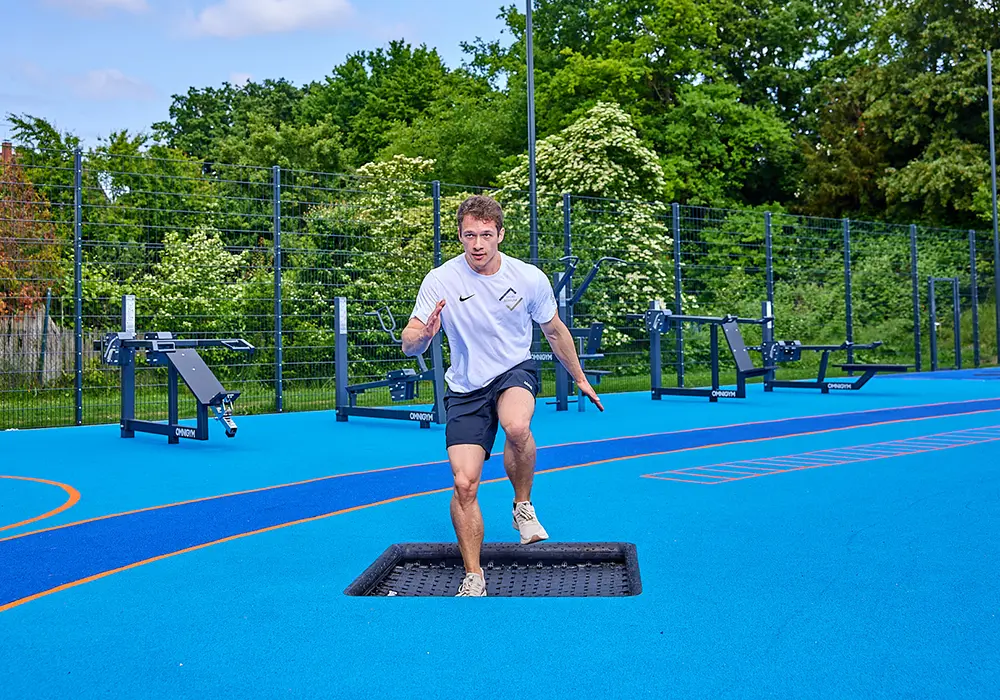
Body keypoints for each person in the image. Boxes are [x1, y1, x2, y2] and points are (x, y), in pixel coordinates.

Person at [402, 194, 603, 597]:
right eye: (469, 235)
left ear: (500, 235)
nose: (478, 244)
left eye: (486, 235)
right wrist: (422, 336)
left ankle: (522, 505)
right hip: (465, 388)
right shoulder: (440, 279)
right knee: (464, 483)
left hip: (513, 370)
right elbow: (410, 340)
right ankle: (474, 575)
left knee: (516, 425)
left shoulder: (528, 277)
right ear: (459, 236)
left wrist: (580, 378)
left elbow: (555, 331)